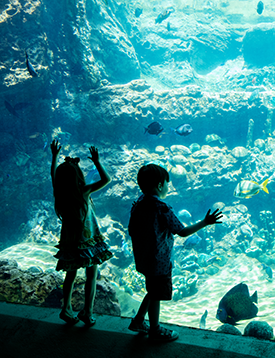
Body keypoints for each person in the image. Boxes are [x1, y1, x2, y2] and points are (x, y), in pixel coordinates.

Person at [128, 164, 223, 342]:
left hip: (144, 258)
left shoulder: (139, 204)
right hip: (159, 260)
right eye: (166, 183)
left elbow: (132, 230)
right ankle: (155, 329)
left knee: (152, 290)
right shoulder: (161, 208)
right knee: (156, 293)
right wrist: (205, 222)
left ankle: (139, 320)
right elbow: (182, 232)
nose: (167, 187)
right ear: (159, 185)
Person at [50, 139, 113, 326]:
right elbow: (106, 180)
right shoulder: (83, 192)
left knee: (70, 275)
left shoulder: (60, 193)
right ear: (78, 175)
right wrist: (97, 161)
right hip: (88, 241)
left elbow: (54, 176)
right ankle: (87, 311)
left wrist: (54, 157)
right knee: (92, 275)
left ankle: (66, 309)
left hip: (70, 242)